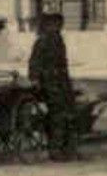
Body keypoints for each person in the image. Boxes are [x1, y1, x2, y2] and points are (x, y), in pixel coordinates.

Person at [28, 13, 81, 161]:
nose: (59, 26)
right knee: (57, 117)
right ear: (48, 25)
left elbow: (63, 64)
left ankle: (69, 149)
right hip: (50, 84)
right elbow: (34, 63)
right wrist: (35, 80)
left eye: (60, 24)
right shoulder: (42, 41)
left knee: (69, 115)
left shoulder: (58, 40)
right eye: (56, 23)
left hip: (62, 82)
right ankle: (55, 151)